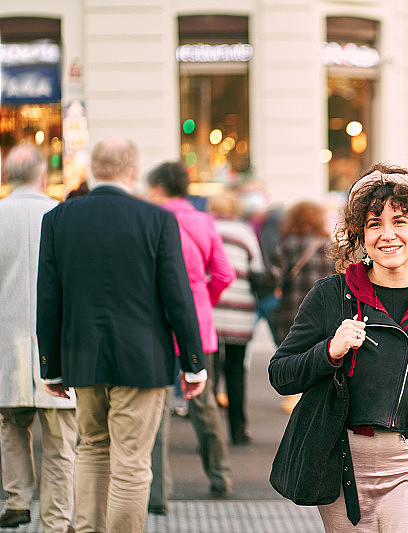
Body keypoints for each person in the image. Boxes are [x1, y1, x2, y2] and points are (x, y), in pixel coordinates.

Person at [269, 163, 408, 532]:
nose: (387, 235)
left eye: (400, 222)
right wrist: (329, 351)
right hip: (343, 463)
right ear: (361, 234)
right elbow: (281, 374)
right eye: (375, 224)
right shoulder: (330, 296)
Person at [36, 138, 206, 533]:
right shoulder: (156, 219)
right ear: (132, 170)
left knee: (92, 449)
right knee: (131, 461)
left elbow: (49, 299)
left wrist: (51, 367)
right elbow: (177, 296)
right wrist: (193, 363)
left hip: (82, 356)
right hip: (142, 359)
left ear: (93, 169)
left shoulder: (59, 218)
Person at [146, 161, 235, 511]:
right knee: (204, 402)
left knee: (155, 408)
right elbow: (224, 272)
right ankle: (221, 477)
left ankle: (158, 495)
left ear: (156, 187)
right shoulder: (202, 221)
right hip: (198, 327)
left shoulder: (149, 220)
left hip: (156, 326)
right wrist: (203, 303)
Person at [0, 145, 77, 533]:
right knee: (61, 440)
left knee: (10, 424)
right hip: (58, 342)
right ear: (43, 176)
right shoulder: (63, 214)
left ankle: (16, 499)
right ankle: (57, 518)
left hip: (6, 340)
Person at [208, 192, 267, 444]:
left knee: (209, 375)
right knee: (235, 371)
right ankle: (238, 429)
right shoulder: (245, 232)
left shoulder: (206, 229)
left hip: (210, 310)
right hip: (240, 311)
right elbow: (258, 270)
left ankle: (210, 432)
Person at [269, 200, 335, 414]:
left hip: (292, 308)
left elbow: (275, 277)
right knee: (320, 350)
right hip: (324, 309)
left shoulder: (286, 244)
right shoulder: (328, 246)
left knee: (293, 351)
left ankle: (292, 396)